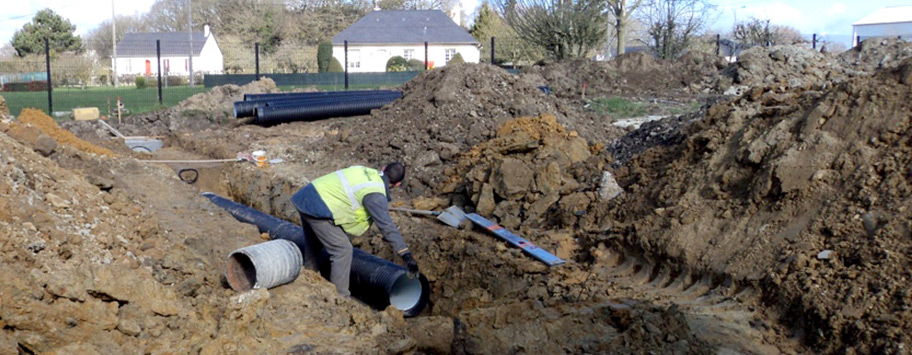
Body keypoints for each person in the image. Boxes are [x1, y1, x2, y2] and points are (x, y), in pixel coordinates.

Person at [291, 162, 419, 297]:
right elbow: (387, 227)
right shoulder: (375, 195)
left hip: (307, 196)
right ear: (398, 184)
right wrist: (406, 254)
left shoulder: (365, 171)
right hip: (319, 208)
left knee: (314, 242)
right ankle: (340, 297)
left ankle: (309, 277)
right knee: (342, 250)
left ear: (383, 168)